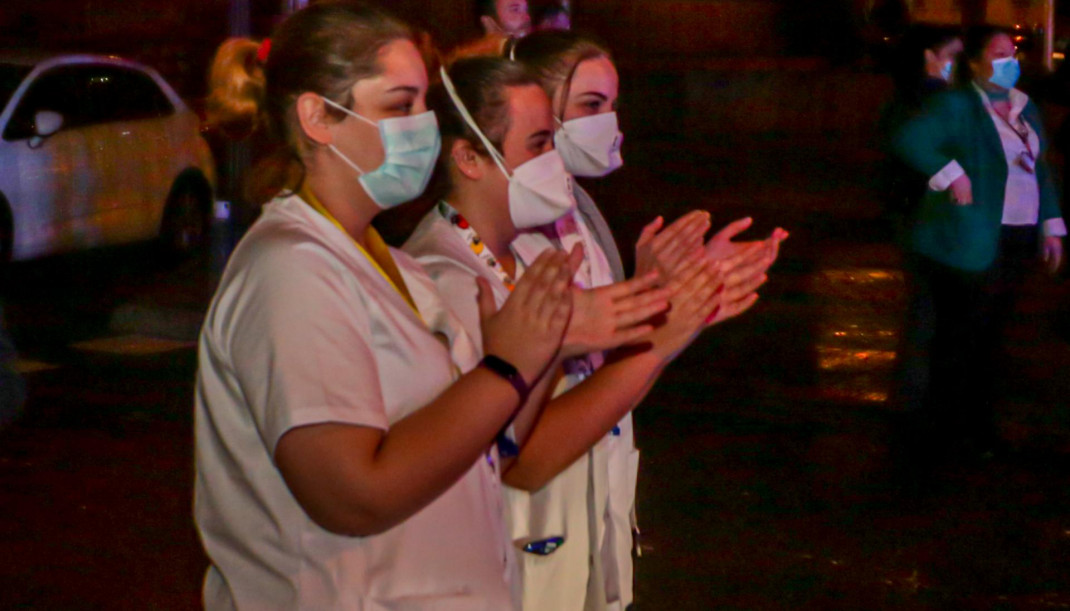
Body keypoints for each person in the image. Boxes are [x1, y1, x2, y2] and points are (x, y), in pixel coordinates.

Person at [194, 4, 580, 608]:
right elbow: (353, 496)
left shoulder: (395, 267)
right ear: (317, 117)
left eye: (425, 104)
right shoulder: (289, 270)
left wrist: (544, 348)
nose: (424, 126)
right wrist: (504, 367)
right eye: (399, 106)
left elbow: (485, 451)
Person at [403, 55, 748, 611]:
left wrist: (669, 301)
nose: (554, 162)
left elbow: (597, 390)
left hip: (569, 553)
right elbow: (521, 458)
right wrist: (660, 337)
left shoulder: (531, 252)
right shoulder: (442, 278)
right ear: (469, 157)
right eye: (538, 144)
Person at [510, 30, 788, 609]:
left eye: (612, 105)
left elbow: (614, 378)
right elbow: (524, 447)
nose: (607, 123)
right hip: (526, 536)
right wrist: (663, 319)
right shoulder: (507, 235)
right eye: (590, 105)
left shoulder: (577, 213)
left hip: (589, 515)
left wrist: (678, 302)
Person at [893, 25, 1066, 461]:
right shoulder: (958, 105)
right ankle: (948, 429)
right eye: (999, 54)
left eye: (1013, 54)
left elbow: (1038, 169)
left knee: (991, 336)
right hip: (970, 238)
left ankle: (979, 426)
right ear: (975, 62)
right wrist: (953, 174)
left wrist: (1051, 225)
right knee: (961, 337)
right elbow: (910, 140)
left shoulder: (1025, 108)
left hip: (1017, 236)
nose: (1009, 62)